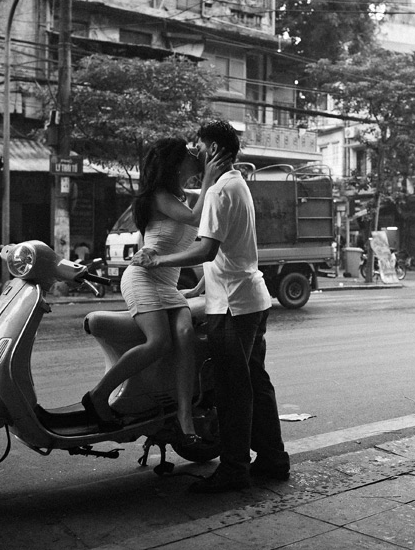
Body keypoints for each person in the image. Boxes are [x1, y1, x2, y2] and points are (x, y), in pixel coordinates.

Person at [131, 119, 290, 494]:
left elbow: (207, 249)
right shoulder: (237, 185)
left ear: (215, 149)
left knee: (233, 390)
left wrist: (160, 262)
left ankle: (235, 470)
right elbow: (226, 253)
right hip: (249, 297)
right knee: (255, 383)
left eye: (200, 147)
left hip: (233, 306)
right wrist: (198, 286)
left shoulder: (220, 191)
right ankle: (272, 459)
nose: (196, 153)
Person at [81, 137, 229, 440]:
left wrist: (202, 283)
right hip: (143, 278)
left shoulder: (183, 196)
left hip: (168, 284)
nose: (194, 159)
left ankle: (184, 415)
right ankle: (98, 395)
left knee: (186, 336)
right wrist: (210, 178)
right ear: (175, 164)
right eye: (189, 155)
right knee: (159, 342)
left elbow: (204, 224)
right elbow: (195, 217)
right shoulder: (160, 196)